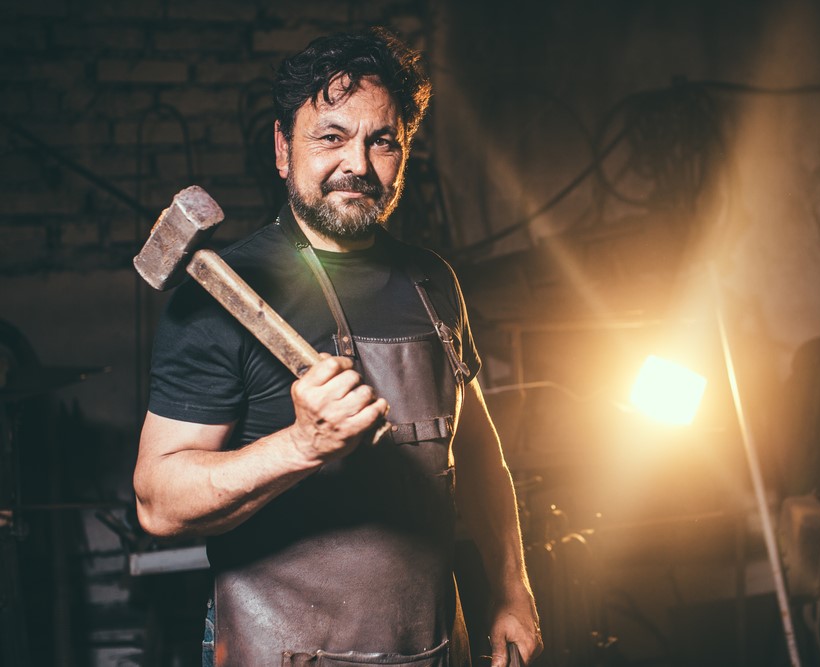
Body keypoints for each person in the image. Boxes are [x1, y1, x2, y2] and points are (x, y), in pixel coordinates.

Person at [133, 28, 542, 667]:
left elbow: (478, 454)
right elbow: (158, 503)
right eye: (331, 136)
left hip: (431, 646)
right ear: (282, 148)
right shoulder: (216, 300)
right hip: (281, 653)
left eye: (382, 140)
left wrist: (512, 590)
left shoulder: (432, 281)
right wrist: (301, 445)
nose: (358, 164)